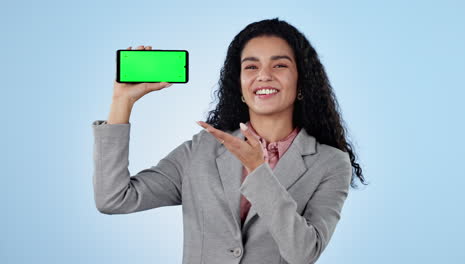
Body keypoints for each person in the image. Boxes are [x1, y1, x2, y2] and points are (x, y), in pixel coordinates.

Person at [92, 17, 367, 264]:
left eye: (280, 64)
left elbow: (304, 253)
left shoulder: (330, 163)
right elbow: (115, 199)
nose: (263, 75)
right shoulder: (202, 150)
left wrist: (259, 171)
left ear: (302, 82)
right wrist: (122, 102)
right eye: (251, 66)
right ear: (239, 86)